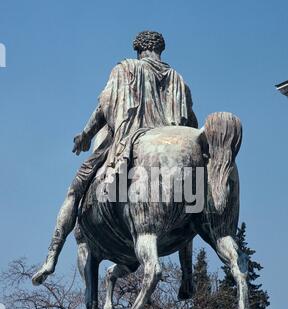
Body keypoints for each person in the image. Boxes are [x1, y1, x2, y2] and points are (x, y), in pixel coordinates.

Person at [32, 31, 198, 285]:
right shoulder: (178, 78)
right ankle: (188, 275)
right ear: (160, 49)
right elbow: (190, 123)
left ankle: (51, 257)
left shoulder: (126, 68)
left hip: (127, 140)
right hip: (173, 145)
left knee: (73, 193)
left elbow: (104, 105)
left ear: (138, 49)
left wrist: (85, 135)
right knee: (190, 199)